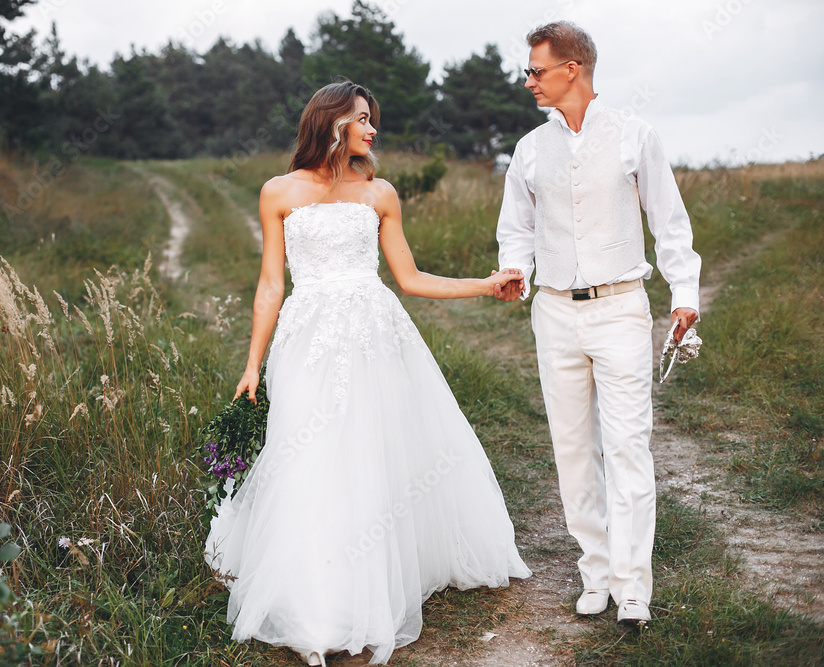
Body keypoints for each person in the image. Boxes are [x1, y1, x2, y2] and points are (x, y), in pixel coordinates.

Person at [204, 80, 532, 665]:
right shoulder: (278, 192)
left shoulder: (380, 193)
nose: (373, 129)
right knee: (308, 455)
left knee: (370, 454)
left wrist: (486, 284)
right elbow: (270, 284)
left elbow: (410, 279)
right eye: (362, 118)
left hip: (374, 335)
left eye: (372, 119)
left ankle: (366, 585)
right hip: (307, 339)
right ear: (332, 122)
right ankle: (315, 601)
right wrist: (252, 364)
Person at [494, 21, 702, 627]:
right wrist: (515, 269)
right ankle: (596, 572)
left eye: (536, 70)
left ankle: (634, 589)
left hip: (621, 308)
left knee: (629, 447)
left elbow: (670, 221)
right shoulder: (530, 147)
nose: (528, 80)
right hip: (554, 312)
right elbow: (516, 227)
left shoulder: (635, 136)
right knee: (572, 450)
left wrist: (683, 293)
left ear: (572, 70)